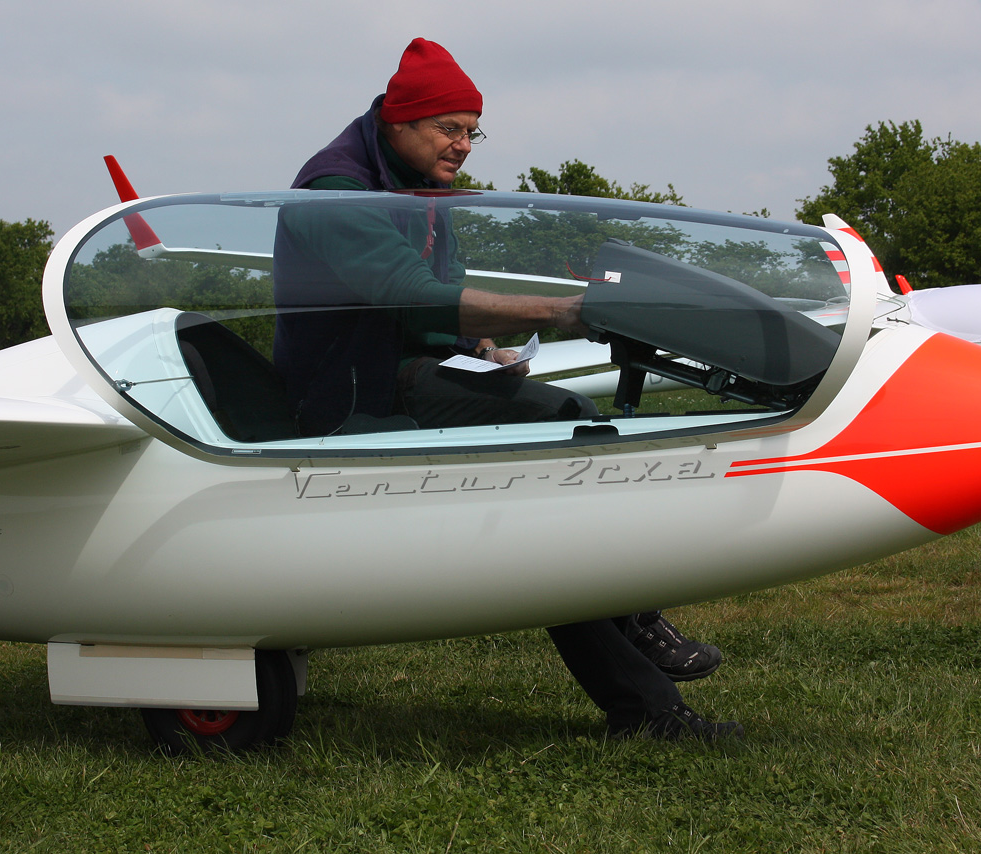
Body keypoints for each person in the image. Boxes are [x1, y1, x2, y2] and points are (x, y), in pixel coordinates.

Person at [274, 38, 736, 739]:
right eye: (449, 128)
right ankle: (641, 679)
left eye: (472, 131)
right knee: (556, 458)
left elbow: (434, 310)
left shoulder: (418, 183)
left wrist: (481, 349)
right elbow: (411, 296)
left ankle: (637, 645)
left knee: (570, 431)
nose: (464, 145)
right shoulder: (335, 191)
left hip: (402, 375)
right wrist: (563, 309)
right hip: (347, 401)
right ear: (400, 121)